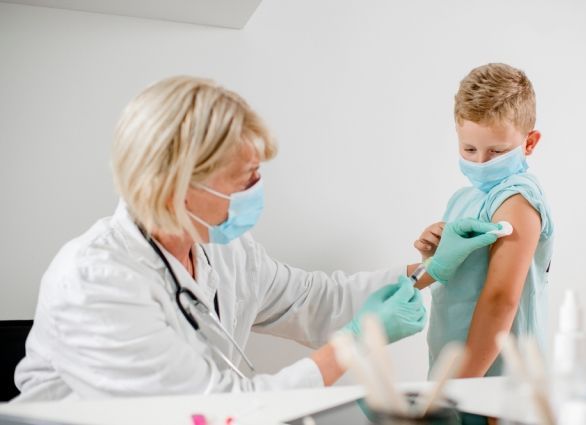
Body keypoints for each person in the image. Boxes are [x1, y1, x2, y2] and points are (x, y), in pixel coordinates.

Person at [14, 76, 499, 401]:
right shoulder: (95, 282)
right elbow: (211, 410)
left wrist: (431, 269)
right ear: (178, 186)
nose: (257, 189)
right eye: (245, 178)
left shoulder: (221, 247)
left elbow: (311, 299)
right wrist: (353, 345)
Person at [414, 63, 554, 377]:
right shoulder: (463, 198)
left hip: (498, 379)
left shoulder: (517, 199)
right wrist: (433, 257)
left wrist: (459, 384)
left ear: (529, 143)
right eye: (469, 149)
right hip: (453, 365)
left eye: (497, 151)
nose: (480, 162)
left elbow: (500, 300)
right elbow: (454, 279)